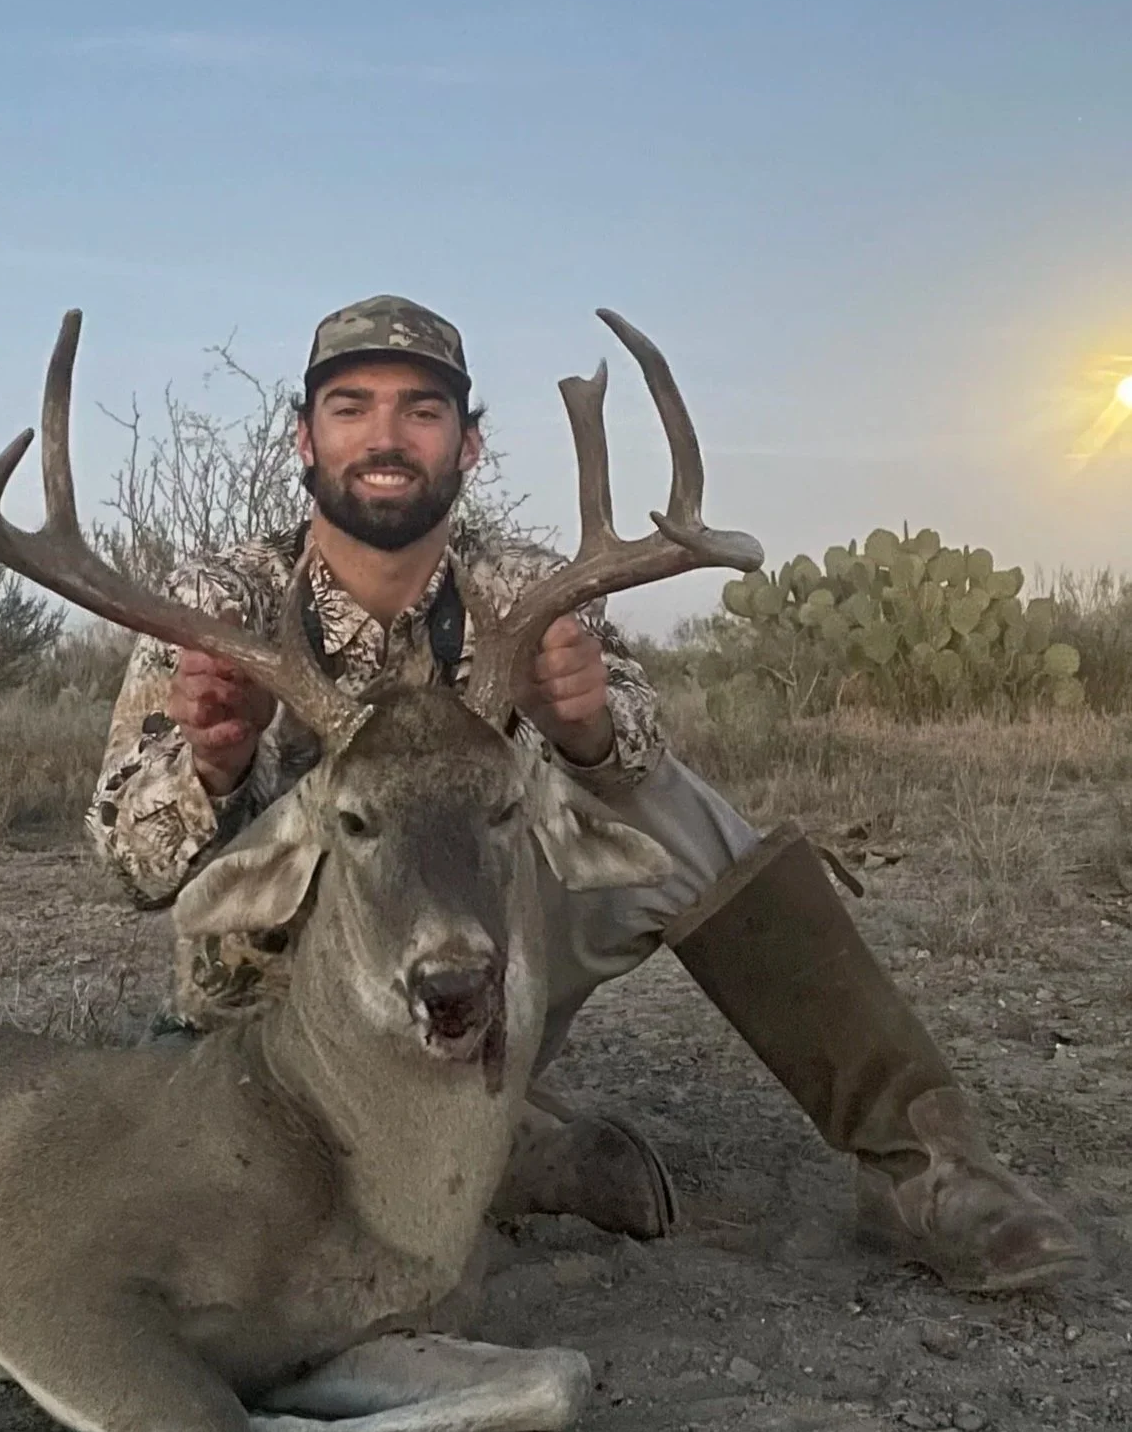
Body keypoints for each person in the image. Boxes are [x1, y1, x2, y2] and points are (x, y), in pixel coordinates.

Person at [86, 294, 1086, 1294]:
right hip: (294, 1025)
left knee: (673, 810)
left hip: (484, 955)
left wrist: (588, 726)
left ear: (468, 447)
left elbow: (641, 746)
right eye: (351, 407)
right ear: (304, 438)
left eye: (422, 411)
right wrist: (210, 767)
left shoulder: (530, 590)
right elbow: (134, 865)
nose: (385, 436)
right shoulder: (222, 605)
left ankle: (926, 1170)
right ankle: (515, 1148)